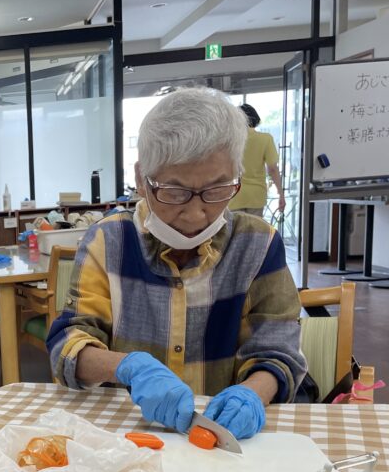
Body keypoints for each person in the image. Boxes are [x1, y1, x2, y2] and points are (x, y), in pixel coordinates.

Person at [47, 88, 306, 440]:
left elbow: (277, 350)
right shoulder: (109, 241)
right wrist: (127, 367)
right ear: (141, 179)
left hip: (221, 437)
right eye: (174, 191)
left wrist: (253, 393)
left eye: (217, 190)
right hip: (129, 435)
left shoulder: (258, 245)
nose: (196, 213)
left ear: (237, 177)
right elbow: (69, 343)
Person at [228, 103, 285, 217]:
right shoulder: (265, 139)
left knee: (234, 233)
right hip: (256, 195)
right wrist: (281, 194)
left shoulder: (229, 140)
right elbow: (272, 169)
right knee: (255, 233)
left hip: (234, 194)